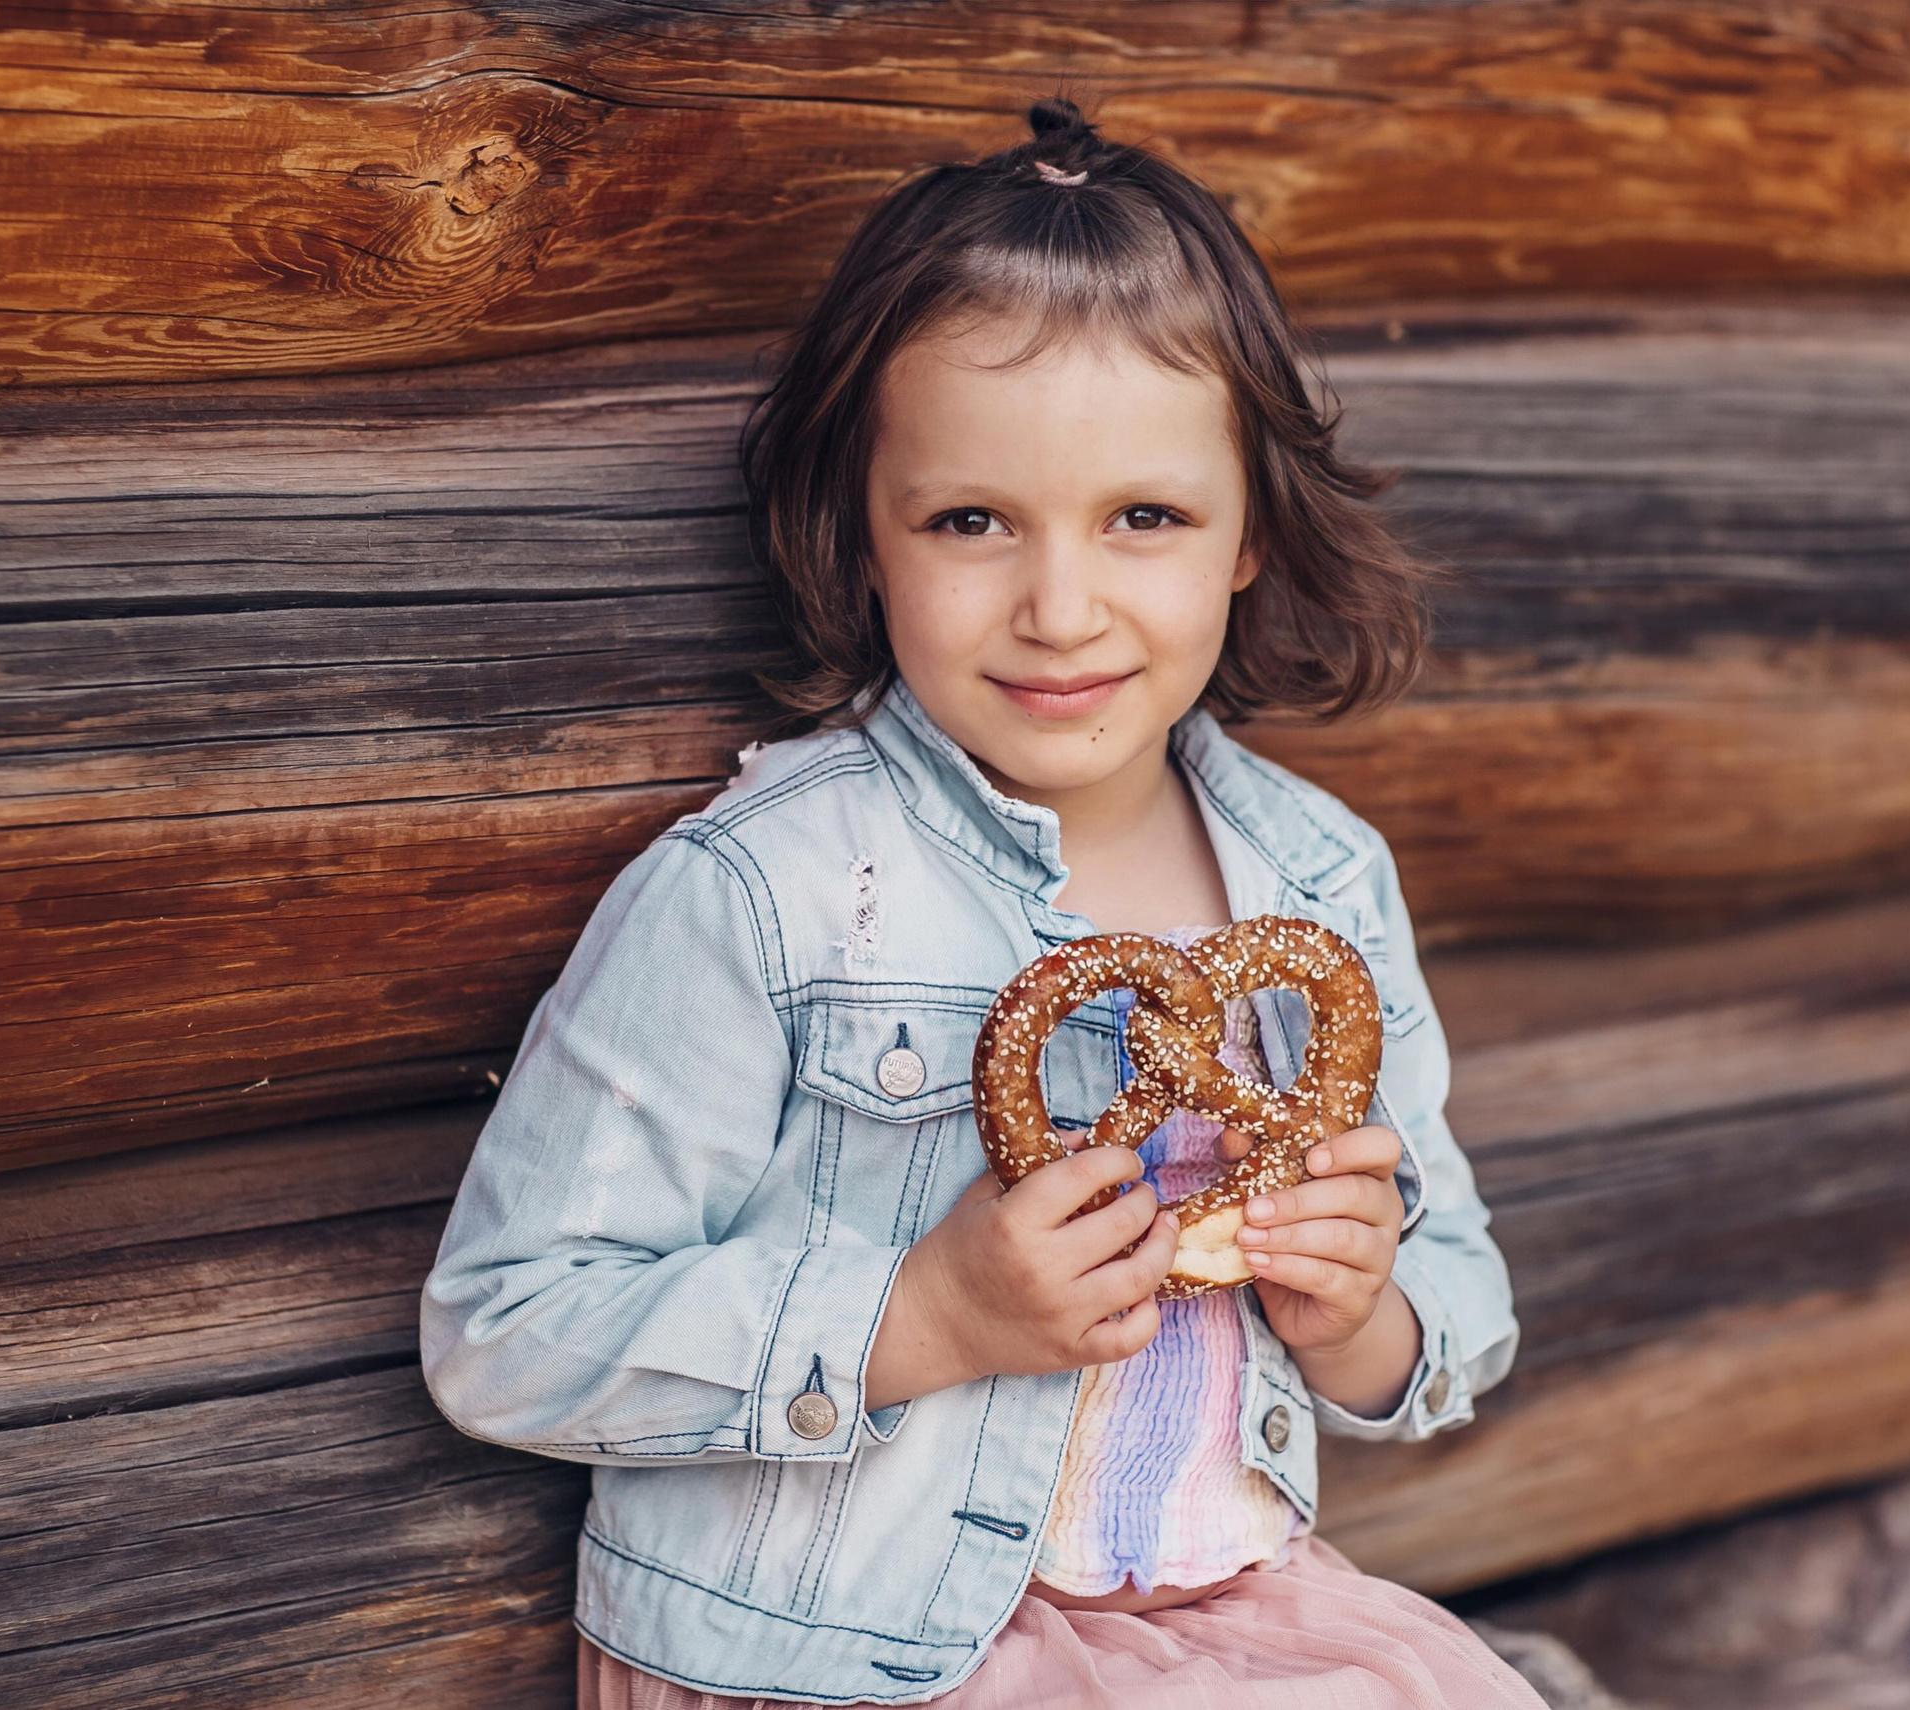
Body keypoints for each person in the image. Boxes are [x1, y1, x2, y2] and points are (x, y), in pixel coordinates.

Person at [420, 94, 1539, 1709]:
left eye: (1144, 518)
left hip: (1225, 1610)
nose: (1061, 605)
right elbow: (507, 1327)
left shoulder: (1322, 882)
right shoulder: (769, 894)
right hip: (846, 1652)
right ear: (863, 535)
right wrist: (921, 1314)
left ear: (1247, 535)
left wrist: (1355, 1309)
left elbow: (1463, 1299)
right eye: (970, 521)